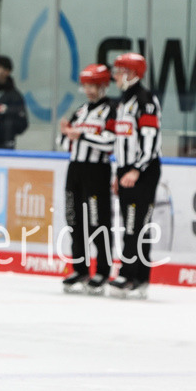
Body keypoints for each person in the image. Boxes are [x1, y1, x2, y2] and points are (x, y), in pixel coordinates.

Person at [108, 52, 162, 299]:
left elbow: (150, 142)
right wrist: (118, 172)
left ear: (132, 74)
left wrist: (135, 170)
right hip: (127, 169)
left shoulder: (145, 100)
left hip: (143, 170)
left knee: (135, 224)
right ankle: (138, 276)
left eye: (120, 71)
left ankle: (130, 274)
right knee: (131, 223)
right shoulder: (124, 100)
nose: (116, 76)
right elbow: (122, 140)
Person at [59, 64, 117, 295]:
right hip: (75, 170)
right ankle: (80, 268)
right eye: (86, 85)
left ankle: (102, 271)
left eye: (94, 85)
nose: (89, 90)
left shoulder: (112, 109)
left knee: (98, 222)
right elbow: (64, 143)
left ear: (104, 86)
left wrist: (80, 135)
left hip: (97, 171)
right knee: (74, 220)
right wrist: (67, 133)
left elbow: (111, 141)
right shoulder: (81, 111)